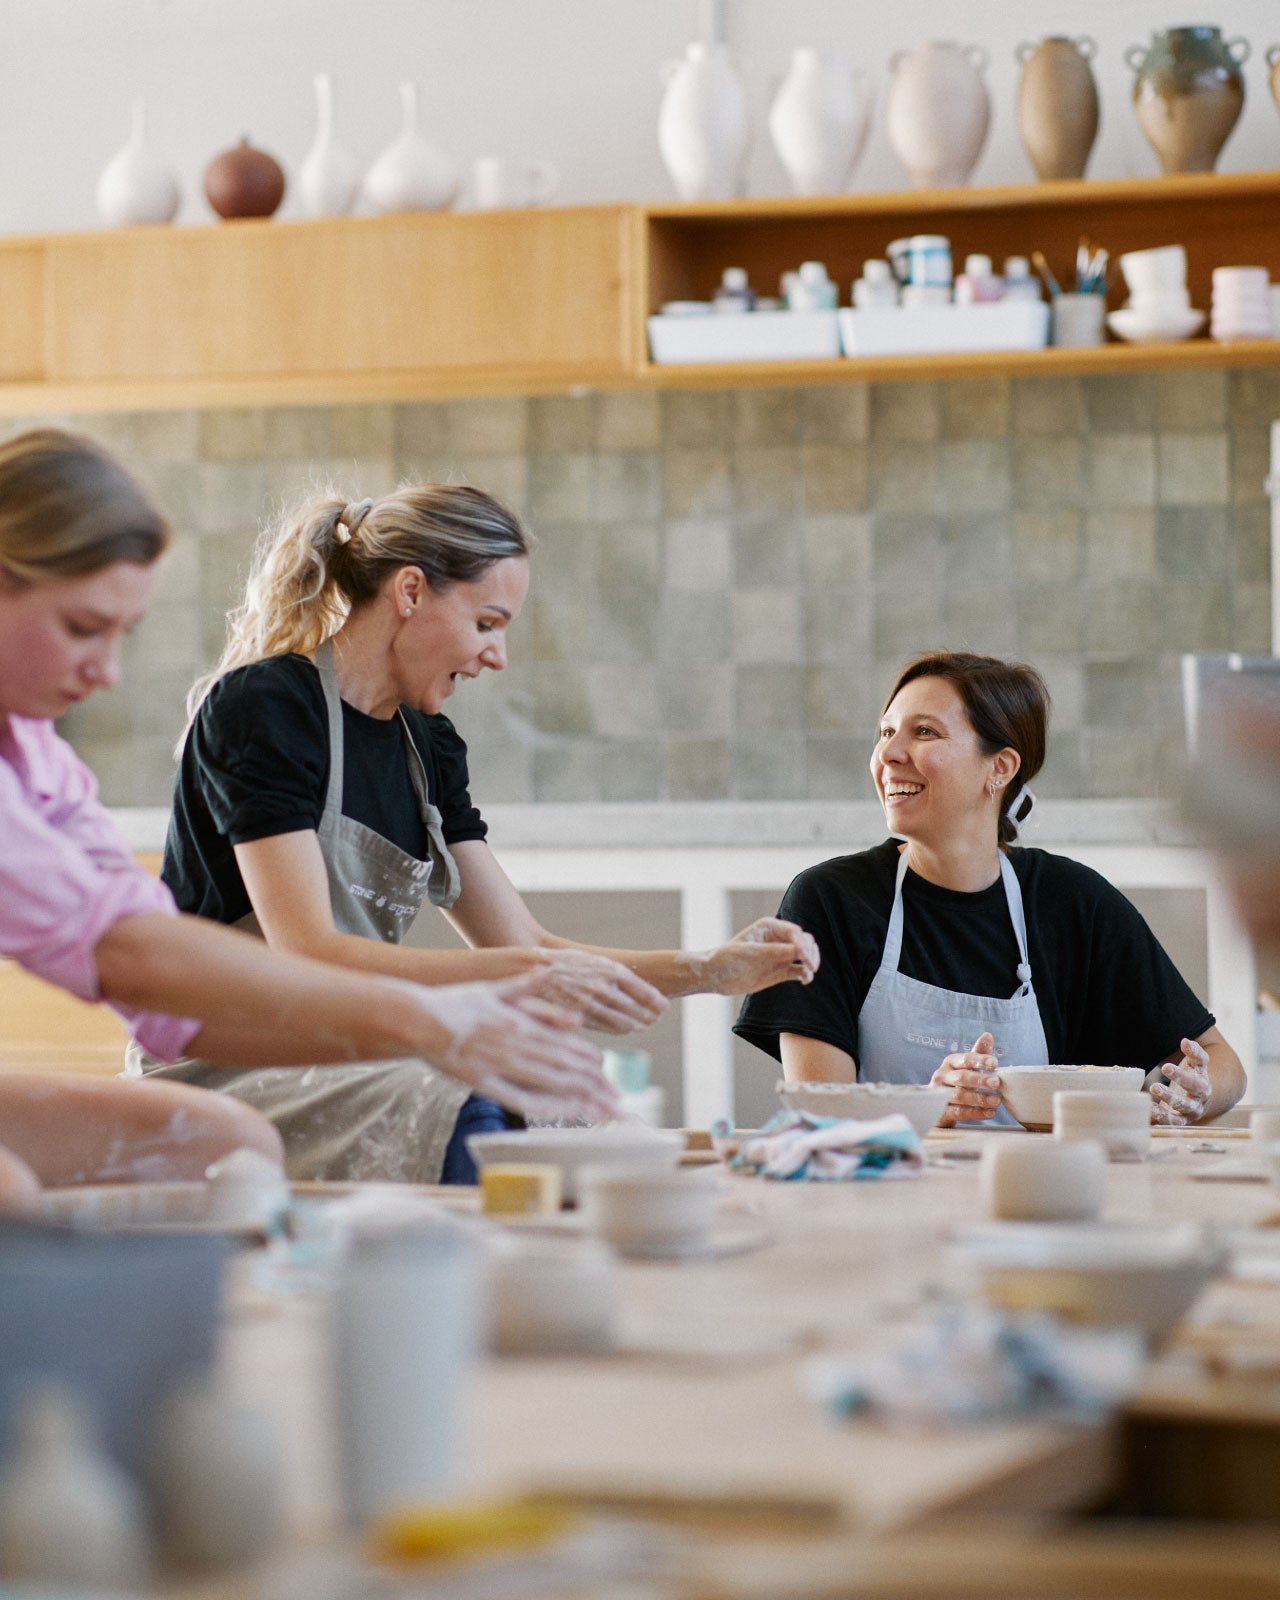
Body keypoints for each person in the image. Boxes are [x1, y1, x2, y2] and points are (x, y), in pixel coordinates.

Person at [0, 428, 617, 1209]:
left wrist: (435, 1028)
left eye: (125, 634)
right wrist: (427, 1022)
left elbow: (168, 1008)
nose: (109, 672)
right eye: (84, 629)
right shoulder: (267, 704)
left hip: (220, 1032)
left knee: (235, 1146)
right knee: (10, 1193)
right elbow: (131, 956)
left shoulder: (37, 760)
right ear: (410, 591)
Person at [151, 481, 818, 1182]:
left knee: (558, 1108)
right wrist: (526, 978)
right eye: (487, 623)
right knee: (474, 1105)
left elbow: (525, 945)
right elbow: (307, 952)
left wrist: (711, 970)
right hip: (227, 1063)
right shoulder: (267, 706)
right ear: (410, 592)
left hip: (349, 1049)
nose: (497, 655)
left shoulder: (427, 746)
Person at [736, 651, 1244, 1128]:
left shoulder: (1071, 903)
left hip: (1038, 1202)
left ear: (999, 768)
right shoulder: (829, 901)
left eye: (925, 732)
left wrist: (1188, 1094)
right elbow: (820, 1114)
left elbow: (1222, 1065)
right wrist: (924, 1108)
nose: (889, 754)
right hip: (880, 1203)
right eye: (886, 732)